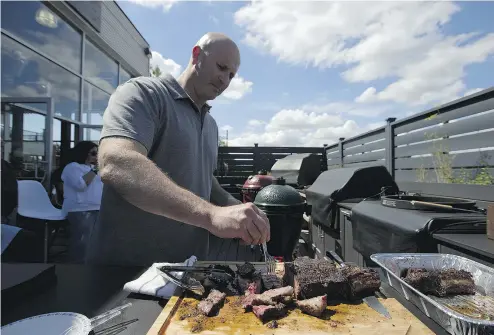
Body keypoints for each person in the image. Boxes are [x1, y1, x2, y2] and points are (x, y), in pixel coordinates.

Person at [86, 32, 270, 266]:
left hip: (188, 272)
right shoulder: (144, 94)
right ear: (196, 55)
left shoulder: (211, 125)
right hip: (125, 273)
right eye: (221, 67)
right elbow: (117, 163)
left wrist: (235, 207)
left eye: (231, 75)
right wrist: (210, 215)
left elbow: (204, 182)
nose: (225, 79)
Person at [61, 141, 103, 263]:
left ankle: (88, 266)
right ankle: (77, 267)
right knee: (82, 242)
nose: (96, 157)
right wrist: (94, 171)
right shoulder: (72, 167)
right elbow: (80, 185)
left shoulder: (91, 169)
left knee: (93, 242)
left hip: (96, 208)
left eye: (97, 153)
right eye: (93, 153)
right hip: (79, 209)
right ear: (83, 153)